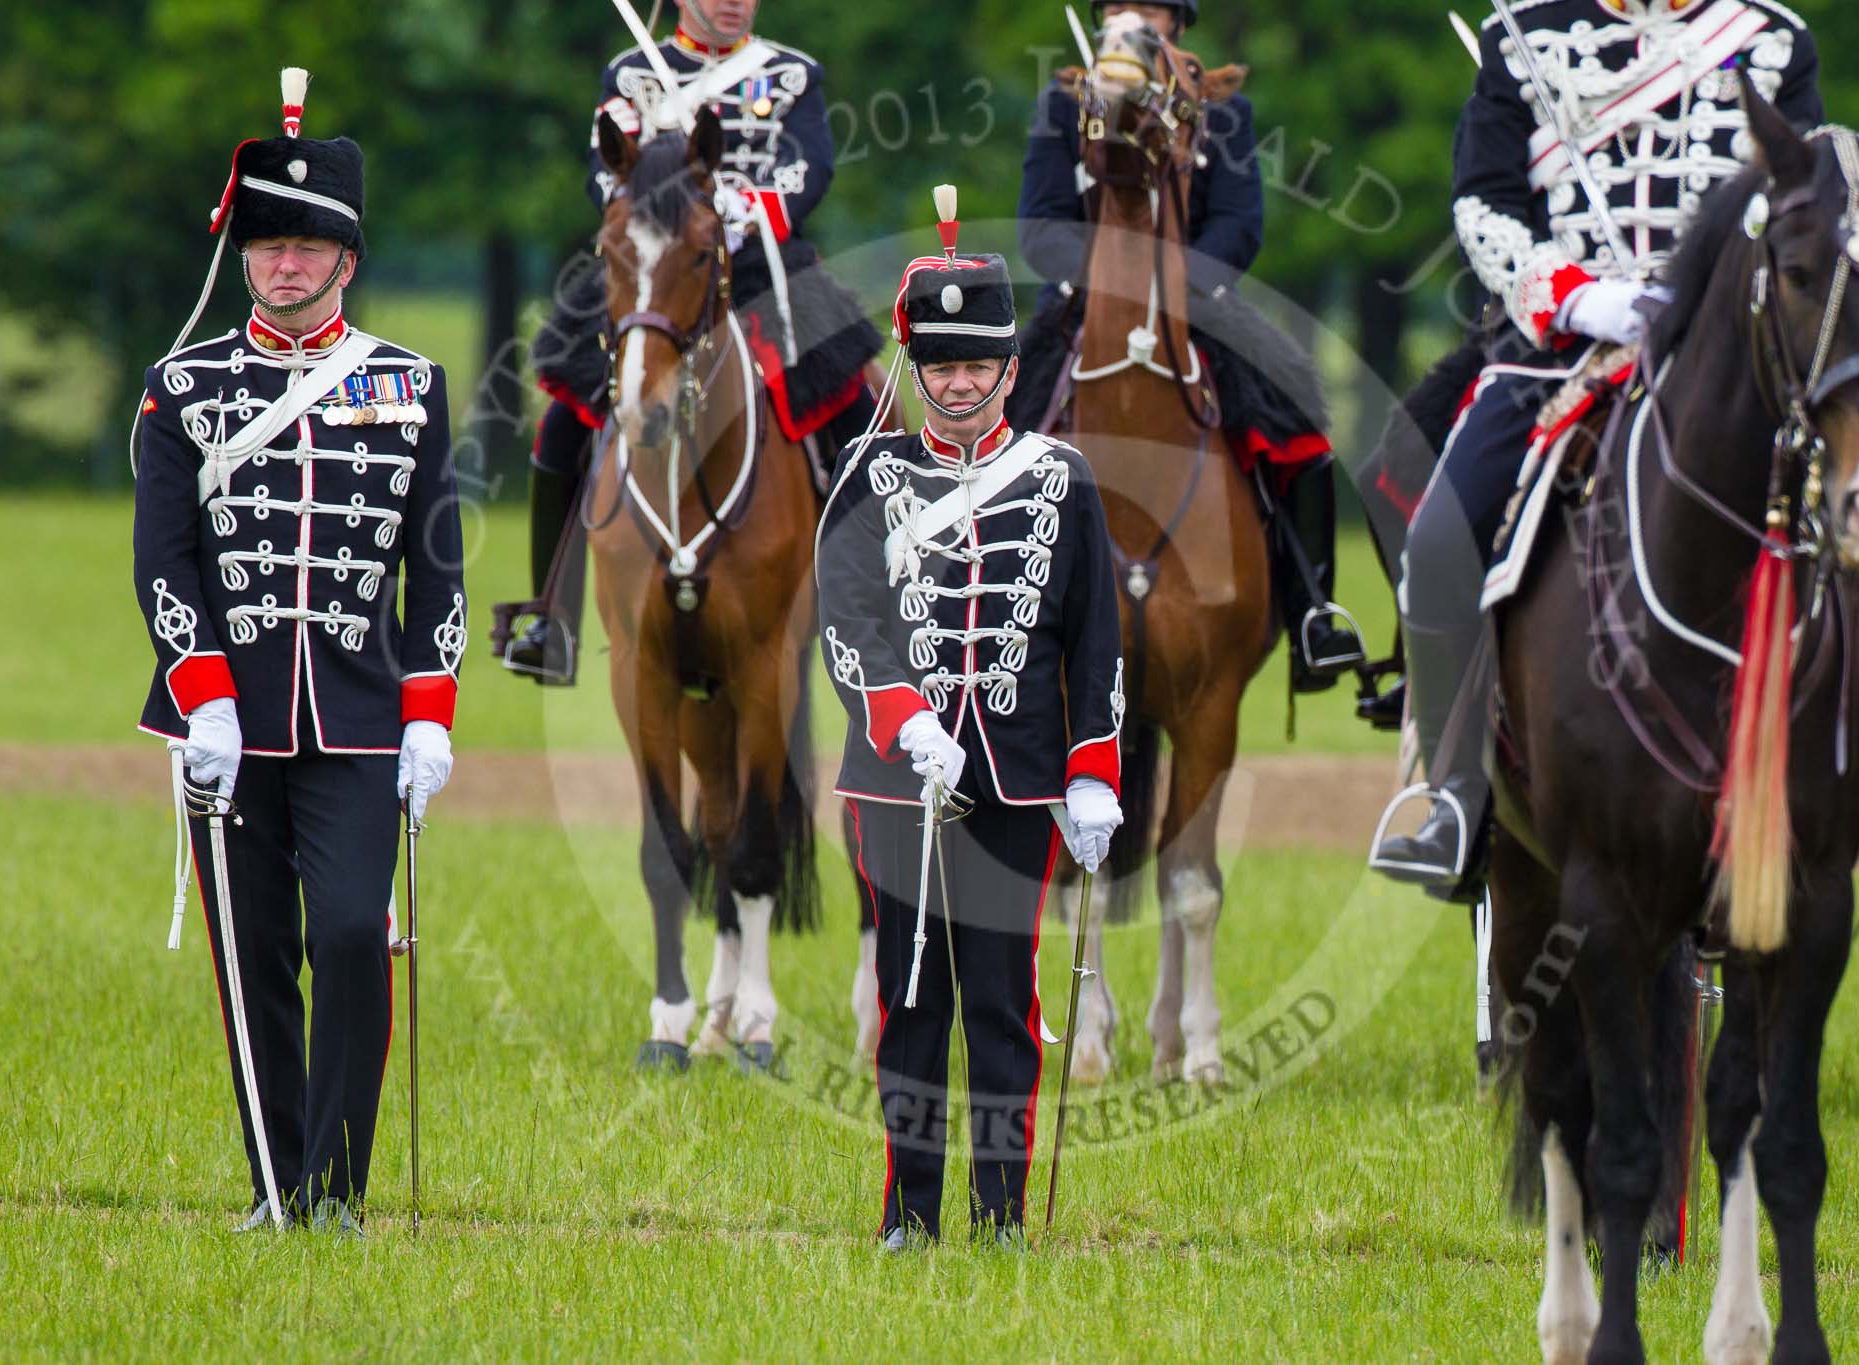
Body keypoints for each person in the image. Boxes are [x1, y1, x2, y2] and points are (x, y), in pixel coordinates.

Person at [1371, 0, 1859, 898]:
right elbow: (1484, 208)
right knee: (1438, 541)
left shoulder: (1771, 39)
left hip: (1738, 355)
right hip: (1563, 351)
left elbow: (1811, 200)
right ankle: (1458, 797)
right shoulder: (1525, 39)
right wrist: (1587, 300)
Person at [132, 68, 465, 1234]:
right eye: (267, 244)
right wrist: (203, 699)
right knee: (255, 953)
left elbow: (439, 573)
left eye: (305, 246)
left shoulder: (410, 388)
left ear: (347, 260)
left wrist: (431, 711)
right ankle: (281, 1190)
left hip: (361, 718)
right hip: (229, 720)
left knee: (346, 933)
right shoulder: (184, 388)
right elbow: (163, 563)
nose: (283, 264)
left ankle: (337, 1189)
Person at [816, 195, 1125, 1249]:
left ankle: (997, 1219)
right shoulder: (870, 473)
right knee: (911, 1003)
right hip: (897, 780)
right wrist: (904, 723)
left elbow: (1094, 637)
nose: (957, 385)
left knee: (1002, 1003)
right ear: (915, 368)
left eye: (976, 366)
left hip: (1021, 777)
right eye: (939, 367)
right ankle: (909, 1215)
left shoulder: (1057, 475)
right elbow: (846, 619)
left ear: (1005, 368)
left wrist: (1092, 771)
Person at [500, 0, 881, 683]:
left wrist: (740, 209)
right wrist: (660, 204)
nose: (733, 3)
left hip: (763, 263)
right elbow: (602, 169)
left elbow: (808, 169)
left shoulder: (792, 76)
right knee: (564, 423)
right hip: (656, 266)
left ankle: (870, 612)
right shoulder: (630, 74)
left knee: (857, 405)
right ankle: (550, 618)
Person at [1012, 0, 1365, 694]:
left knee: (1301, 425)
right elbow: (1040, 227)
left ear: (1176, 21)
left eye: (1149, 5)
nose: (1133, 14)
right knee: (991, 435)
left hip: (1195, 305)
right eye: (1119, 4)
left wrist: (1175, 285)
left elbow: (1239, 222)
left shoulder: (1222, 111)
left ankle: (1313, 614)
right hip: (1084, 303)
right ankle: (976, 613)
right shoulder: (1065, 103)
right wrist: (1111, 282)